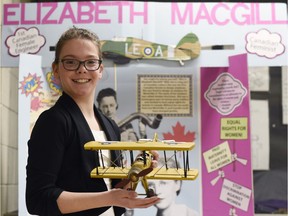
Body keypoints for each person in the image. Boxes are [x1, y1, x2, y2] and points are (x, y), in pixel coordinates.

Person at [26, 27, 159, 216]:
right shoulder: (53, 121)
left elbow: (113, 189)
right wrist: (109, 198)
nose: (81, 69)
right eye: (71, 62)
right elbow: (38, 200)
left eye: (90, 62)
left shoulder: (110, 125)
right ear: (56, 69)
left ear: (100, 69)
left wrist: (138, 170)